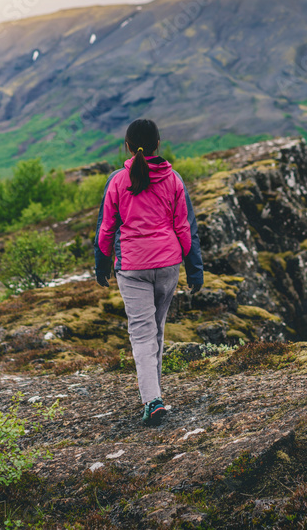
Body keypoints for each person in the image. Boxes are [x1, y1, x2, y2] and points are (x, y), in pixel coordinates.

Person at [93, 119, 204, 427]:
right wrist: (194, 269)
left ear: (127, 146)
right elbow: (184, 227)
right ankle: (154, 397)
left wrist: (101, 264)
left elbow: (106, 228)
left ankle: (152, 400)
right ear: (158, 144)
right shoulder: (174, 179)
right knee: (156, 331)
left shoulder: (117, 180)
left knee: (142, 335)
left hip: (132, 267)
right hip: (168, 264)